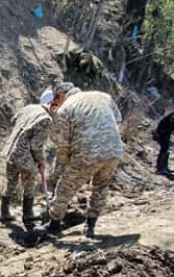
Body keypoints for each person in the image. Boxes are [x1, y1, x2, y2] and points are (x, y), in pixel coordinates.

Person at [30, 85, 124, 240]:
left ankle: (54, 225)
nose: (55, 103)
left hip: (88, 152)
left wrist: (66, 163)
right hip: (115, 150)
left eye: (55, 100)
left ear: (60, 96)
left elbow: (62, 144)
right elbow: (118, 121)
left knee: (65, 187)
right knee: (101, 186)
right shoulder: (102, 95)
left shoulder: (65, 108)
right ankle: (90, 226)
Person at [0, 91, 55, 228]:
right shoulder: (46, 119)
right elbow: (36, 146)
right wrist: (41, 162)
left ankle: (4, 213)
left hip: (11, 151)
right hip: (24, 156)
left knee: (11, 182)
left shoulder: (28, 108)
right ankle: (28, 214)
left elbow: (13, 121)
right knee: (30, 184)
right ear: (52, 105)